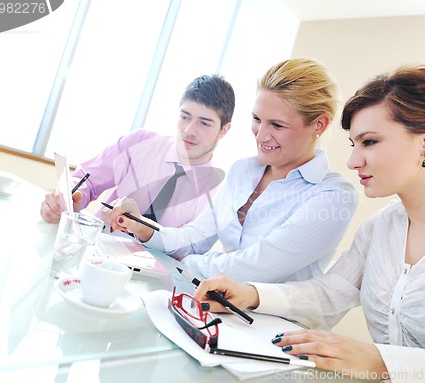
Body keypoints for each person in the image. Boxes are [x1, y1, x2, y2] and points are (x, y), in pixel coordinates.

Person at [192, 66, 425, 381]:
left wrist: (384, 362)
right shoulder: (379, 228)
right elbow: (330, 293)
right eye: (353, 145)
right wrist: (251, 294)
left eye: (369, 142)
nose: (353, 161)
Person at [104, 58, 358, 283]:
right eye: (257, 119)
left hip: (271, 327)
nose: (261, 135)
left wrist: (188, 262)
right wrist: (143, 227)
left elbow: (255, 268)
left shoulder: (333, 195)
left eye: (277, 125)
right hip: (216, 305)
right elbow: (194, 237)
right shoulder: (242, 171)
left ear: (319, 125)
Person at [40, 74, 235, 228]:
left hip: (150, 277)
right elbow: (87, 180)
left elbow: (188, 252)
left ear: (224, 130)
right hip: (94, 251)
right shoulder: (140, 143)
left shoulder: (218, 193)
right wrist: (67, 198)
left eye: (204, 123)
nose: (189, 130)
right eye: (185, 117)